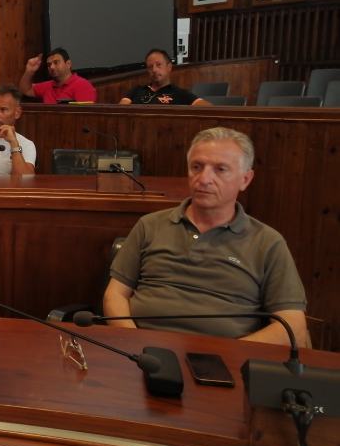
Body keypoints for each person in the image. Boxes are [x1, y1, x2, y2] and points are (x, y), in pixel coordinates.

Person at [103, 127, 308, 345]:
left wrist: (230, 355)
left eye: (220, 169)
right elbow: (115, 295)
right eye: (197, 167)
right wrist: (134, 341)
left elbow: (292, 325)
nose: (204, 178)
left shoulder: (267, 242)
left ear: (245, 179)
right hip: (141, 352)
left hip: (224, 362)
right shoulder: (150, 225)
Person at [120, 49, 210, 106]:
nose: (154, 70)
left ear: (169, 67)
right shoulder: (137, 90)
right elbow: (120, 110)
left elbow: (207, 108)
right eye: (150, 67)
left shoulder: (179, 93)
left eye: (159, 65)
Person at [18, 48, 97, 103]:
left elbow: (85, 117)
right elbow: (26, 90)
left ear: (68, 64)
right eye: (49, 65)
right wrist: (29, 71)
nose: (51, 67)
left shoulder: (83, 86)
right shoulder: (47, 86)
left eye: (56, 62)